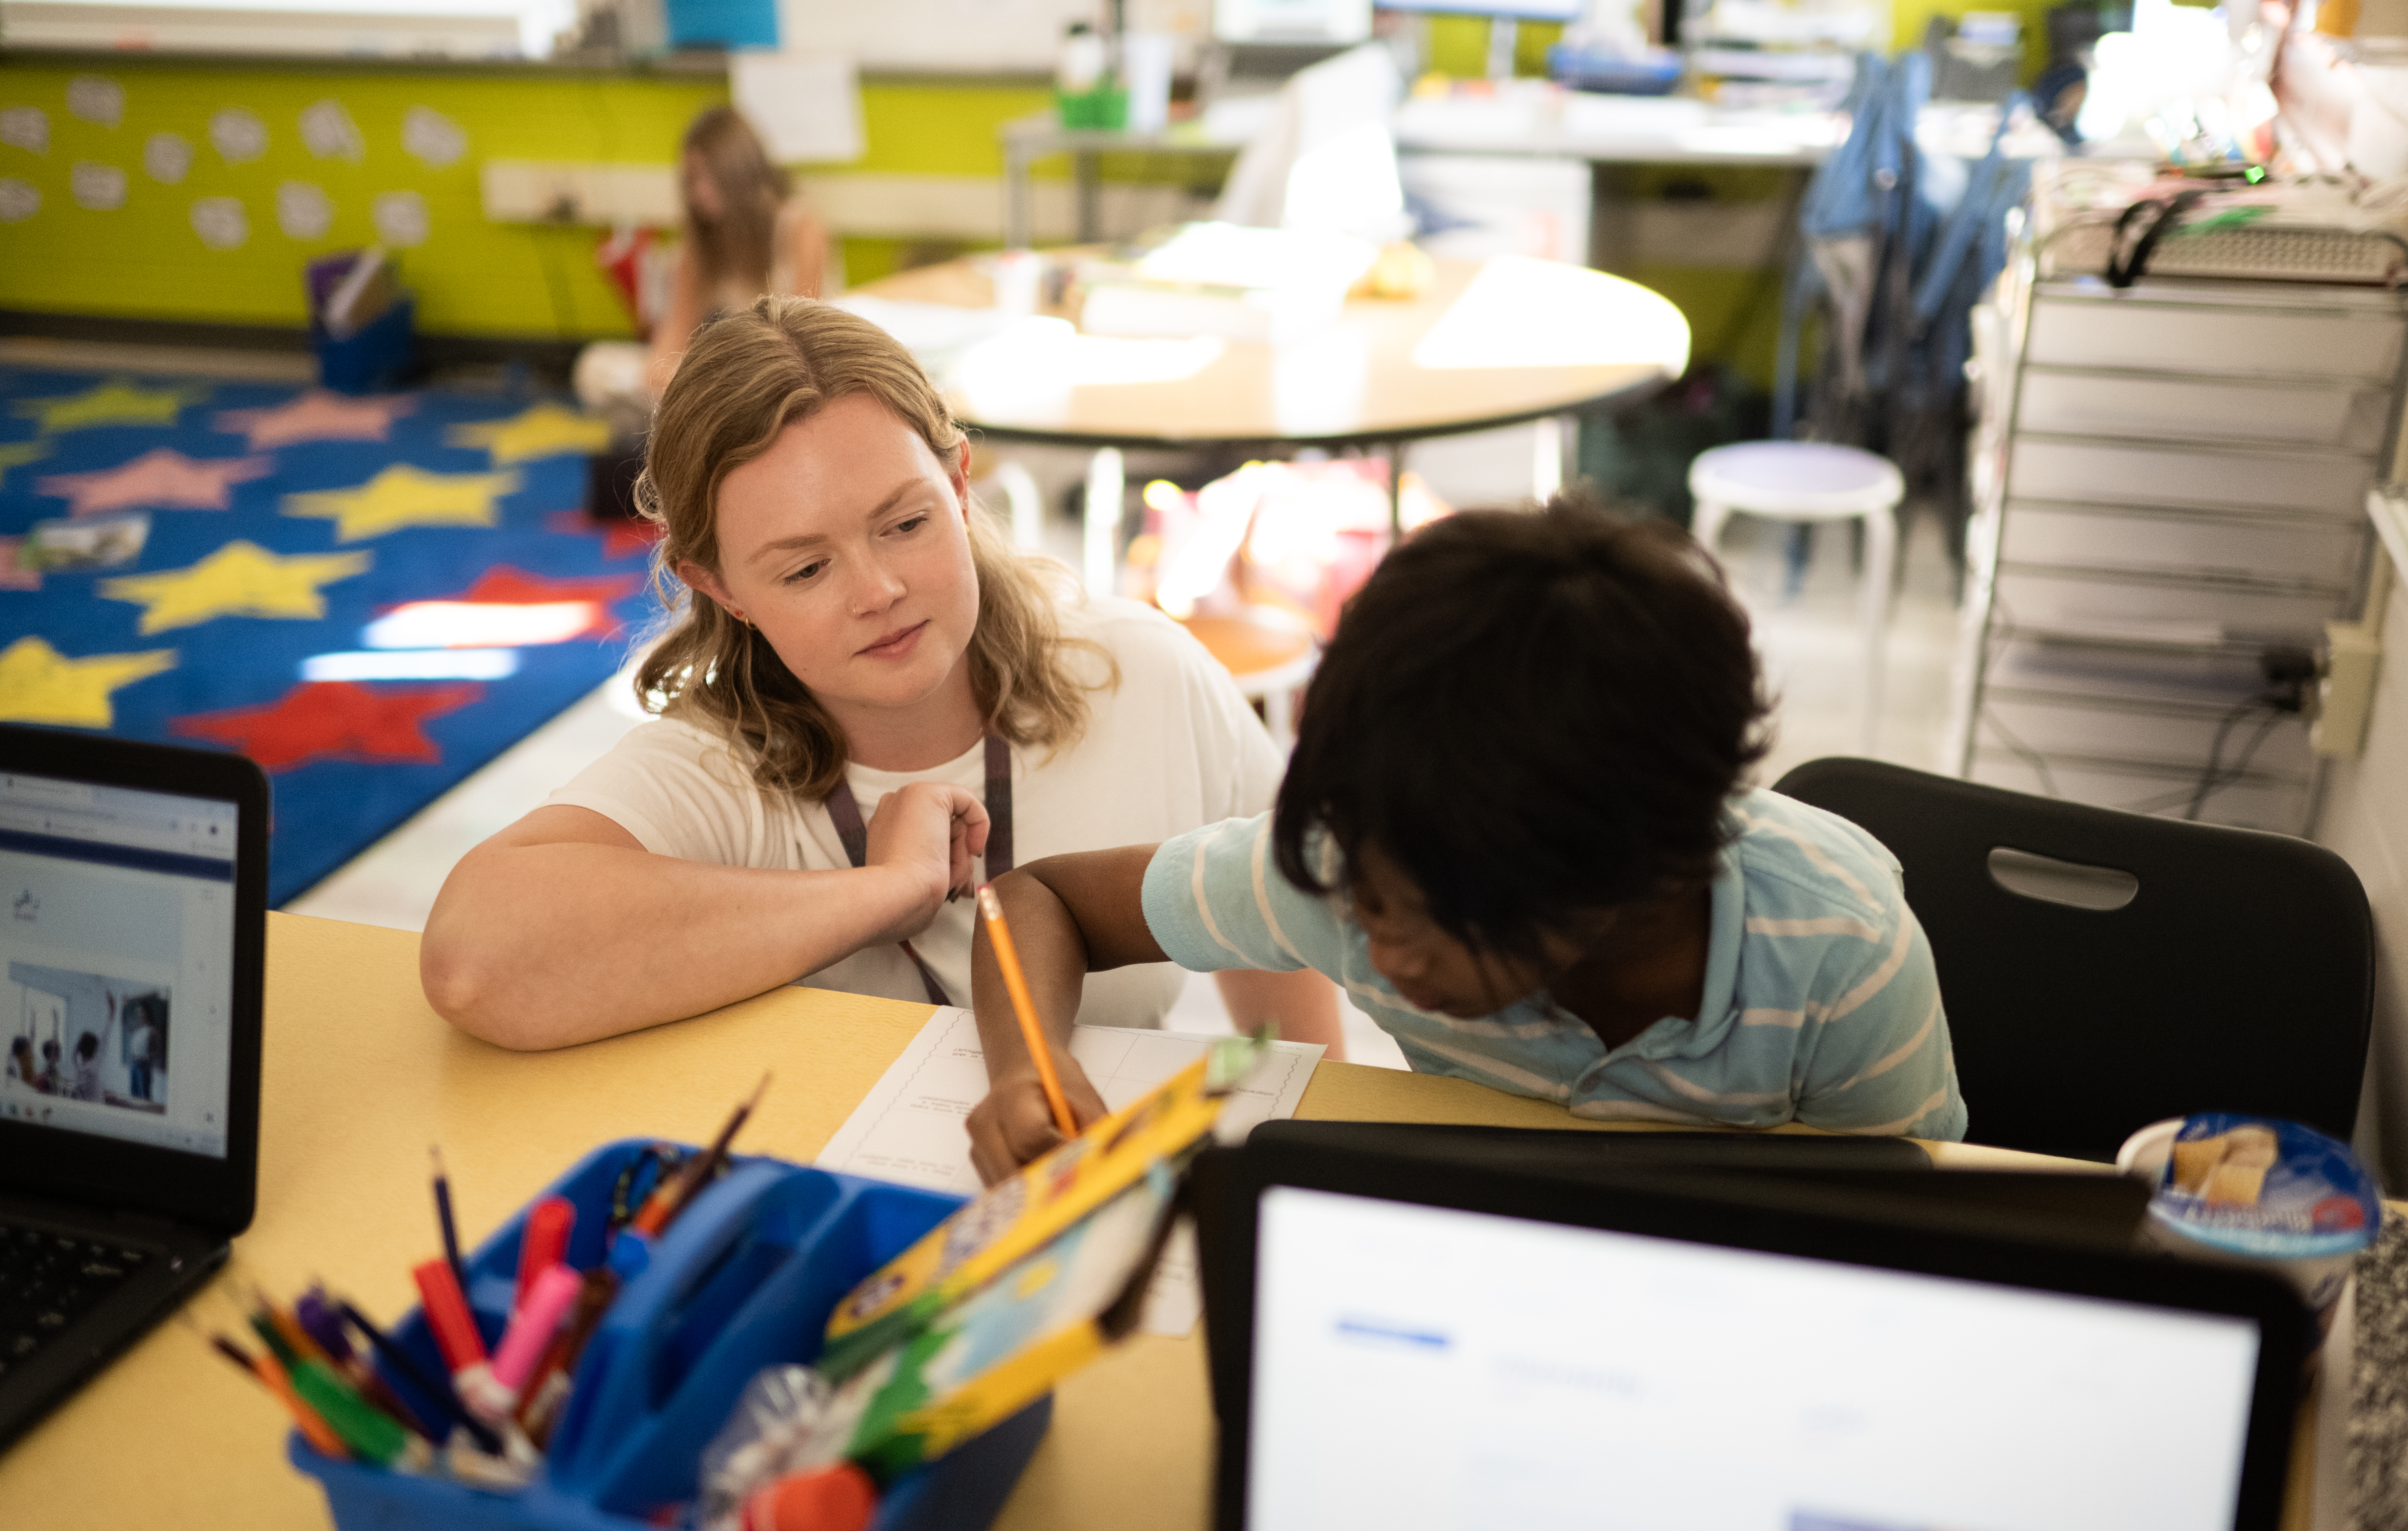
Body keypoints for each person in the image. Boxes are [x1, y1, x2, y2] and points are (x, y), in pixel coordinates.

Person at [423, 295, 1339, 1063]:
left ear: (959, 484)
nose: (880, 592)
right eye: (804, 570)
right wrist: (882, 893)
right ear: (720, 587)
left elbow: (1280, 944)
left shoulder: (1141, 673)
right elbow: (474, 959)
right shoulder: (707, 770)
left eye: (904, 524)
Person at [965, 494, 1965, 1181]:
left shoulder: (1839, 957)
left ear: (1635, 875)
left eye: (1434, 923)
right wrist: (1025, 1071)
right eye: (1365, 896)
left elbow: (1908, 1235)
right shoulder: (1344, 872)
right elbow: (1030, 903)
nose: (1382, 953)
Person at [573, 107, 834, 429]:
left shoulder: (800, 227)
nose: (697, 193)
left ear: (737, 173)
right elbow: (675, 334)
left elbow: (804, 343)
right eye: (690, 180)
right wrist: (660, 373)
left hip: (782, 370)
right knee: (593, 368)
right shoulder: (700, 242)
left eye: (705, 177)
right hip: (724, 368)